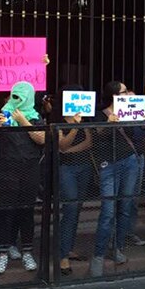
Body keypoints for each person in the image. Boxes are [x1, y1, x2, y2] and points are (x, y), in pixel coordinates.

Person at [89, 78, 145, 277]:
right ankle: (99, 254)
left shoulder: (131, 109)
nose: (127, 95)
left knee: (125, 206)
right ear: (114, 95)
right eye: (124, 92)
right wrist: (107, 124)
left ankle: (117, 247)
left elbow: (144, 129)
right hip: (109, 165)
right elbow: (96, 136)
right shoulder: (101, 114)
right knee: (108, 211)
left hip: (130, 162)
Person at [0, 81, 46, 275]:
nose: (17, 100)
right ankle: (2, 253)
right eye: (15, 96)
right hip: (6, 169)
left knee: (26, 211)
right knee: (5, 211)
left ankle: (27, 251)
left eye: (21, 97)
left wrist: (24, 122)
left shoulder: (36, 118)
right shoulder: (3, 113)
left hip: (29, 169)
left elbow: (42, 139)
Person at [54, 84, 93, 277]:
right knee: (69, 207)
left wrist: (69, 150)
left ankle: (67, 247)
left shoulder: (84, 119)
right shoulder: (59, 120)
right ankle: (62, 255)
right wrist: (75, 126)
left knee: (76, 208)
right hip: (66, 169)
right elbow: (62, 144)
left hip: (83, 167)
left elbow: (88, 143)